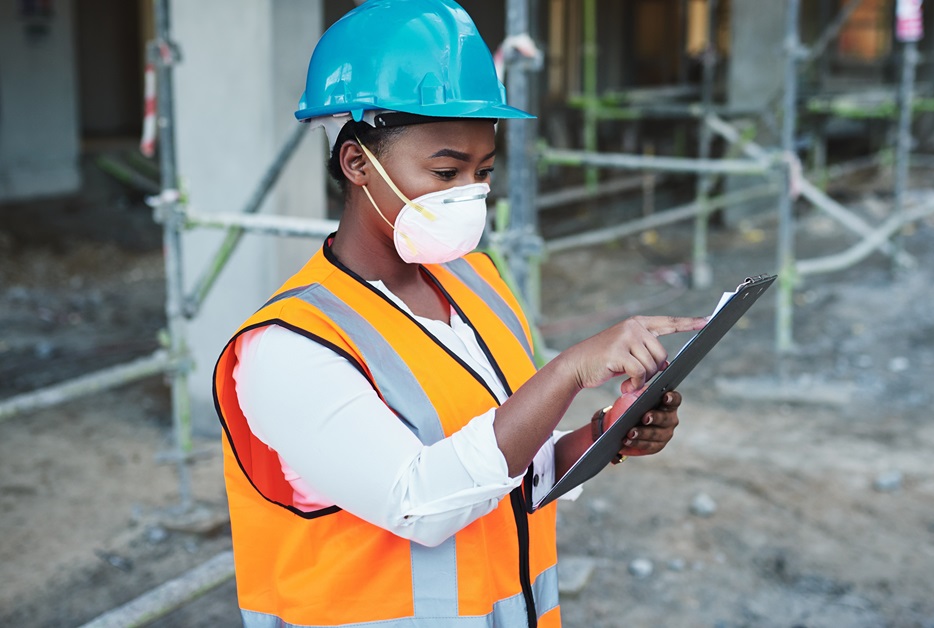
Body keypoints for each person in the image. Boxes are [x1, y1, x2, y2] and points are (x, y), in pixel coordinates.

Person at [212, 1, 707, 626]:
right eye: (446, 170)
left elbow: (504, 462)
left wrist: (604, 435)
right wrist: (567, 372)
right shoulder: (287, 346)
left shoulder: (476, 282)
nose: (469, 194)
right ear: (357, 162)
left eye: (483, 171)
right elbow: (421, 500)